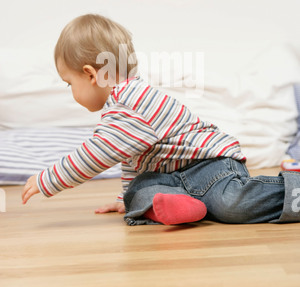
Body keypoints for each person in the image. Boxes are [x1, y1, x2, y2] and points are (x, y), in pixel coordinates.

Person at [22, 14, 300, 226]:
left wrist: (49, 179)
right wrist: (124, 199)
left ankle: (293, 193)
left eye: (69, 83)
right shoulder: (120, 107)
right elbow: (131, 159)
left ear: (90, 75)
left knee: (231, 204)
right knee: (139, 192)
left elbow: (95, 155)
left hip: (210, 167)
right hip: (173, 179)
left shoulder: (132, 102)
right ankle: (182, 207)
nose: (71, 91)